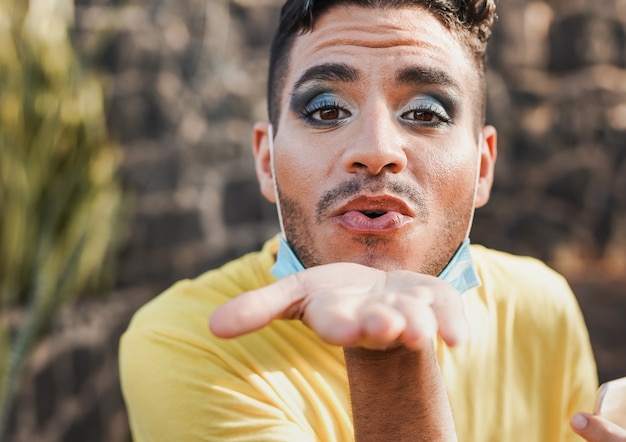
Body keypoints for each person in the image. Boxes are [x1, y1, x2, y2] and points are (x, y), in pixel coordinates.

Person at [119, 1, 626, 440]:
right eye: (325, 110)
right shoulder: (183, 343)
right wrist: (388, 361)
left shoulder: (541, 306)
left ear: (483, 168)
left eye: (426, 113)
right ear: (266, 161)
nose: (376, 151)